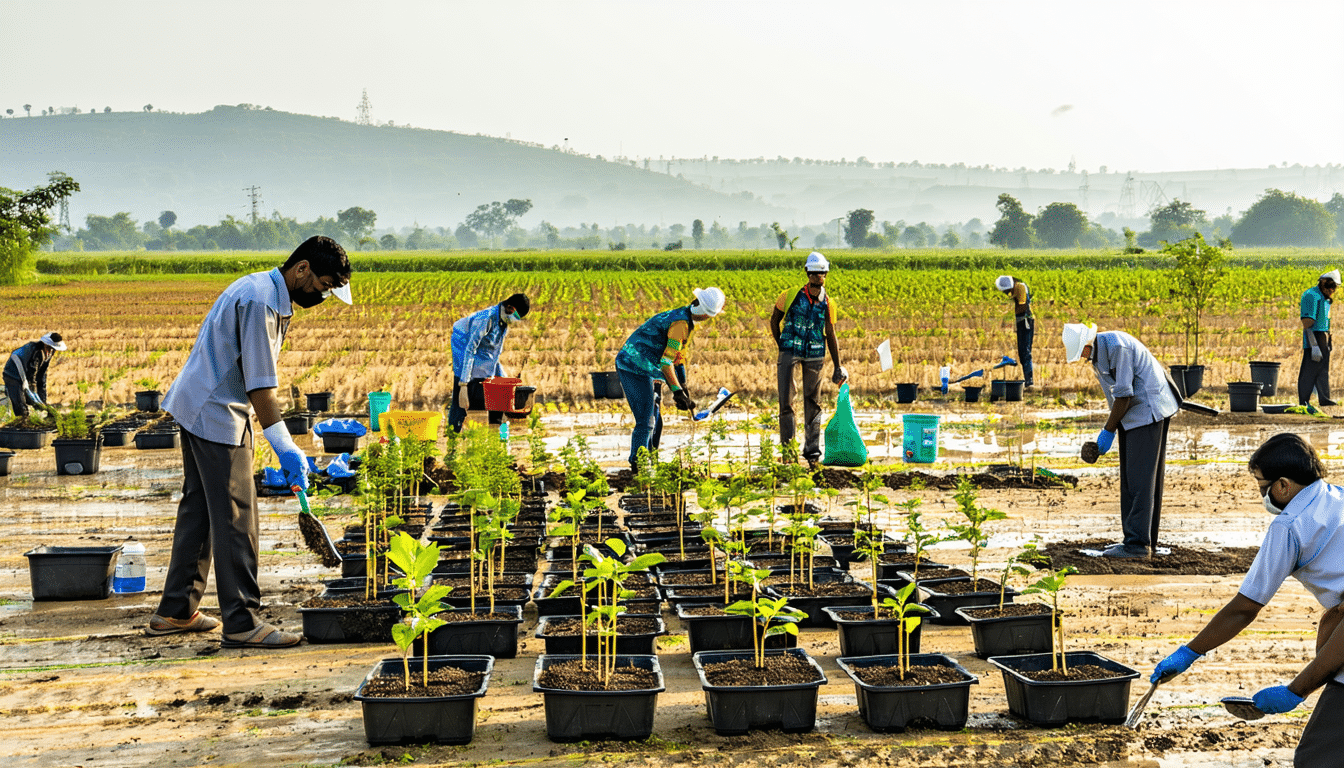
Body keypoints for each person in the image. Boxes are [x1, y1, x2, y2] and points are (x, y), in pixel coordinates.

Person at [148, 236, 352, 648]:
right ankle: (241, 621)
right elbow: (262, 388)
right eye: (324, 285)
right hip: (215, 411)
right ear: (302, 269)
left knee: (202, 509)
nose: (324, 295)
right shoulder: (260, 301)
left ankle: (176, 609)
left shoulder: (264, 291)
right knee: (237, 515)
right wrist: (287, 448)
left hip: (205, 403)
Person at [1149, 433, 1344, 766]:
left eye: (1261, 486)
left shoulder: (1291, 526)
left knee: (1317, 758)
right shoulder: (1336, 496)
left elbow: (1245, 607)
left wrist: (1189, 652)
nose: (1262, 495)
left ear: (1283, 485)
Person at [1063, 322, 1179, 558]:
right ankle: (1141, 541)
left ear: (1087, 343)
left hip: (1148, 411)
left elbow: (1124, 395)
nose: (1083, 358)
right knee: (1134, 479)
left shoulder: (1117, 347)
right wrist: (1114, 426)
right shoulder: (1100, 352)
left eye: (1081, 352)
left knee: (1140, 481)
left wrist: (1108, 431)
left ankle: (1137, 546)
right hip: (1134, 414)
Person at [615, 286, 724, 472]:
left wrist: (683, 386)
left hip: (646, 366)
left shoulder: (682, 316)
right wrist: (677, 392)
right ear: (707, 316)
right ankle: (638, 466)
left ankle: (650, 461)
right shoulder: (681, 325)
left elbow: (677, 358)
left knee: (655, 419)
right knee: (646, 419)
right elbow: (666, 363)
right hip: (633, 366)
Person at [771, 252, 847, 467]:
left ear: (826, 274)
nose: (817, 276)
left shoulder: (828, 303)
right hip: (789, 351)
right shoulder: (790, 295)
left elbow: (831, 333)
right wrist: (783, 347)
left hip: (815, 354)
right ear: (807, 272)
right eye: (813, 272)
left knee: (813, 402)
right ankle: (788, 454)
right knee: (786, 401)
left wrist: (838, 367)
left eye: (821, 272)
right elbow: (774, 321)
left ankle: (812, 454)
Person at [447, 294, 530, 433]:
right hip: (463, 346)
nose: (516, 320)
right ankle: (453, 439)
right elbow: (470, 349)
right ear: (509, 308)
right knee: (460, 404)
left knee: (500, 401)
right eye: (516, 316)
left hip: (483, 358)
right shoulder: (486, 319)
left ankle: (498, 439)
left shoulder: (503, 323)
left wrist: (506, 382)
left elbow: (494, 355)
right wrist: (463, 385)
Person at [1298, 269, 1338, 407]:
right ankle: (1303, 401)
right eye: (1329, 286)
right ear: (1322, 283)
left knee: (1322, 370)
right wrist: (1314, 345)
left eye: (1334, 287)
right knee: (1309, 369)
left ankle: (1324, 398)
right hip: (1314, 335)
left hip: (1323, 336)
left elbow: (1324, 319)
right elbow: (1307, 323)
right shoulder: (1312, 295)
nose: (1332, 289)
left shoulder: (1324, 298)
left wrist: (1328, 339)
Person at [3, 332, 65, 418]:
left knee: (36, 402)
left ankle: (41, 411)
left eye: (52, 349)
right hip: (13, 374)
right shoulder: (31, 349)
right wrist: (25, 382)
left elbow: (41, 377)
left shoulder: (48, 354)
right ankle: (22, 420)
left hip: (27, 375)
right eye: (49, 348)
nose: (50, 351)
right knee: (20, 404)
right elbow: (17, 360)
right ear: (45, 344)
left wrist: (43, 402)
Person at [996, 275, 1034, 387]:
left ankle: (1029, 381)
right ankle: (1028, 380)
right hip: (1022, 321)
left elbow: (1022, 305)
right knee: (1022, 351)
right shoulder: (1017, 288)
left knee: (1025, 351)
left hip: (1025, 321)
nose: (1006, 293)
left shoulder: (1020, 287)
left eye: (1006, 291)